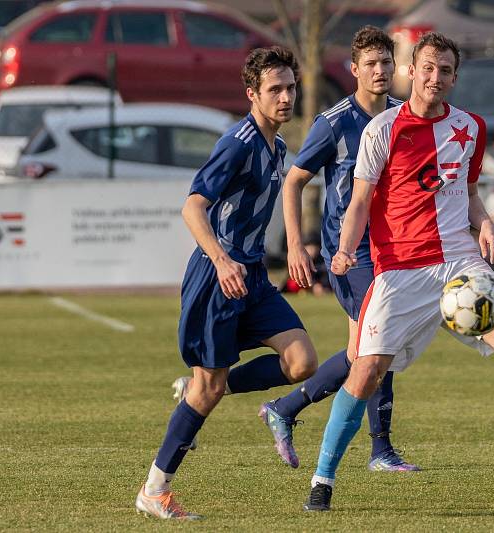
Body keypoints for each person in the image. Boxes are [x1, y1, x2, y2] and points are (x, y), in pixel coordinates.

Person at [302, 32, 494, 512]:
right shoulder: (382, 129)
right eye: (427, 68)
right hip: (399, 270)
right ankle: (323, 480)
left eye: (444, 70)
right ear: (411, 71)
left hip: (460, 262)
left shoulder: (471, 127)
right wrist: (342, 251)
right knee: (365, 374)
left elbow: (470, 193)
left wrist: (485, 227)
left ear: (454, 77)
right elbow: (359, 201)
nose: (435, 78)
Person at [134, 46, 318, 520]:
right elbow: (193, 206)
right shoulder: (237, 142)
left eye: (290, 87)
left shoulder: (276, 147)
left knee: (301, 361)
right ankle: (155, 490)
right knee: (207, 388)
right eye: (274, 89)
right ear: (252, 93)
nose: (285, 96)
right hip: (220, 278)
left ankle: (197, 390)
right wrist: (221, 261)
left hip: (253, 276)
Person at [258, 26, 422, 473]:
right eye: (370, 63)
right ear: (353, 70)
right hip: (349, 252)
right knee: (379, 340)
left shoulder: (404, 115)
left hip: (393, 247)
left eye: (386, 62)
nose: (380, 70)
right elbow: (294, 182)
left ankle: (285, 409)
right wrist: (296, 244)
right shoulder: (333, 123)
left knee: (360, 352)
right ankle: (381, 450)